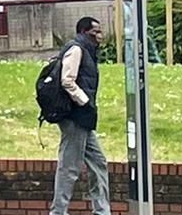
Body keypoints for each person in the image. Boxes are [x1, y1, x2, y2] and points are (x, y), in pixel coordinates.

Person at [50, 16, 110, 215]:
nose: (100, 36)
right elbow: (67, 80)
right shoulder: (76, 49)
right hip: (74, 115)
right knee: (69, 168)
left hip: (83, 116)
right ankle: (58, 212)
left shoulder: (88, 51)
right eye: (96, 32)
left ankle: (102, 211)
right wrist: (84, 101)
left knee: (99, 162)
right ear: (84, 32)